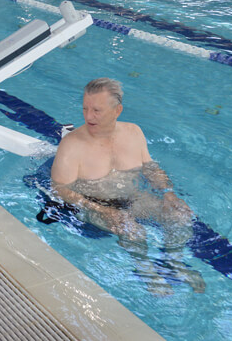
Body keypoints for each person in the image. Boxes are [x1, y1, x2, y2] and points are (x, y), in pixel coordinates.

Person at [51, 78, 205, 294]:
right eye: (85, 109)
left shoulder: (133, 132)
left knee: (180, 215)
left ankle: (175, 262)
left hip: (134, 199)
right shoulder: (72, 145)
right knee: (131, 229)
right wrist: (103, 210)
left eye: (97, 110)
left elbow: (150, 168)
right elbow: (60, 189)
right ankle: (146, 270)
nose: (88, 116)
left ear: (117, 110)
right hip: (95, 205)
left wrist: (169, 194)